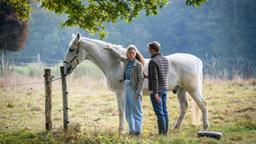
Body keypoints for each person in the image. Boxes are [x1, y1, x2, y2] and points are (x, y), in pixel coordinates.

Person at [105, 44, 144, 136]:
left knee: (136, 111)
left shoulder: (139, 65)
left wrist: (138, 93)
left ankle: (137, 131)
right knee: (128, 110)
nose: (131, 55)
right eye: (129, 53)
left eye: (133, 53)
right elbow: (118, 56)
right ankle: (132, 130)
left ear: (135, 54)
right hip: (126, 87)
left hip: (134, 89)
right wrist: (111, 49)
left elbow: (141, 80)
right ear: (127, 54)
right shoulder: (126, 61)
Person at [147, 41, 169, 135]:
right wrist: (147, 76)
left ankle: (162, 134)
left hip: (157, 90)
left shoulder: (153, 61)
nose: (148, 51)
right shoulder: (165, 59)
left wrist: (155, 93)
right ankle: (165, 132)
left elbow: (155, 79)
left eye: (149, 49)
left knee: (159, 113)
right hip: (164, 88)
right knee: (164, 111)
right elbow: (161, 75)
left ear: (152, 50)